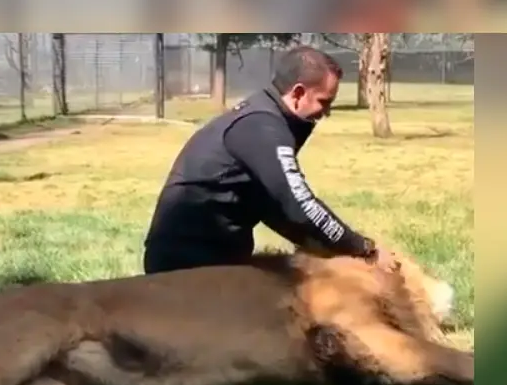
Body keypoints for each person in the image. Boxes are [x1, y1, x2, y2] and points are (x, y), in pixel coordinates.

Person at [142, 45, 393, 274]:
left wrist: (333, 247)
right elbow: (299, 206)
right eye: (324, 102)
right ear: (297, 93)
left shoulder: (267, 119)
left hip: (210, 256)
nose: (326, 113)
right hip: (187, 262)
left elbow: (277, 210)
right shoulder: (262, 127)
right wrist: (363, 249)